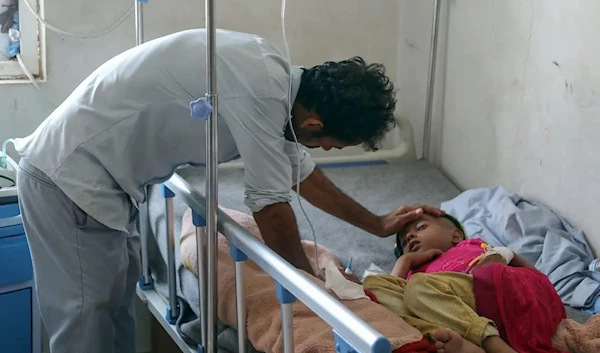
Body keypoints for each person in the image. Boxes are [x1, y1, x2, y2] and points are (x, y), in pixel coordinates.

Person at [13, 28, 443, 353]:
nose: (327, 150)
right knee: (86, 323)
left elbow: (302, 175)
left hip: (104, 188)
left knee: (115, 316)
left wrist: (379, 223)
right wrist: (312, 285)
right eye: (333, 143)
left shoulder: (274, 86)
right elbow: (270, 207)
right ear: (315, 124)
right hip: (69, 179)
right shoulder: (260, 87)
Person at [341, 213, 566, 353]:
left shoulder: (469, 247)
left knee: (419, 287)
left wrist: (504, 255)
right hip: (457, 314)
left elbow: (532, 274)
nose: (409, 237)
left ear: (456, 236)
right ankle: (469, 344)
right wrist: (405, 261)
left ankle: (494, 346)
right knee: (374, 289)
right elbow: (384, 297)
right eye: (404, 241)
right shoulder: (415, 274)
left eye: (420, 228)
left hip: (488, 290)